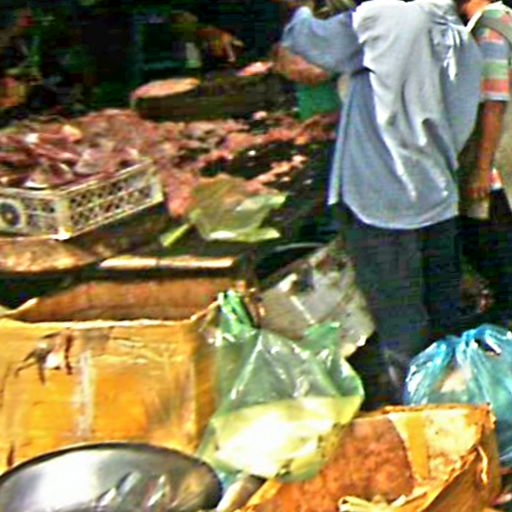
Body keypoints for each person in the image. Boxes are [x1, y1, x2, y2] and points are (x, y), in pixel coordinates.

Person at [276, 0, 483, 400]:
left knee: (402, 324)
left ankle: (419, 413)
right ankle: (457, 407)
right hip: (435, 193)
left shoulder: (385, 16)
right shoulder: (457, 34)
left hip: (383, 201)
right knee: (442, 313)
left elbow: (313, 43)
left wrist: (300, 9)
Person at [458, 0, 512, 326]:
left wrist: (480, 168)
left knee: (498, 254)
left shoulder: (489, 29)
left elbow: (494, 103)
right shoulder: (505, 18)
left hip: (496, 169)